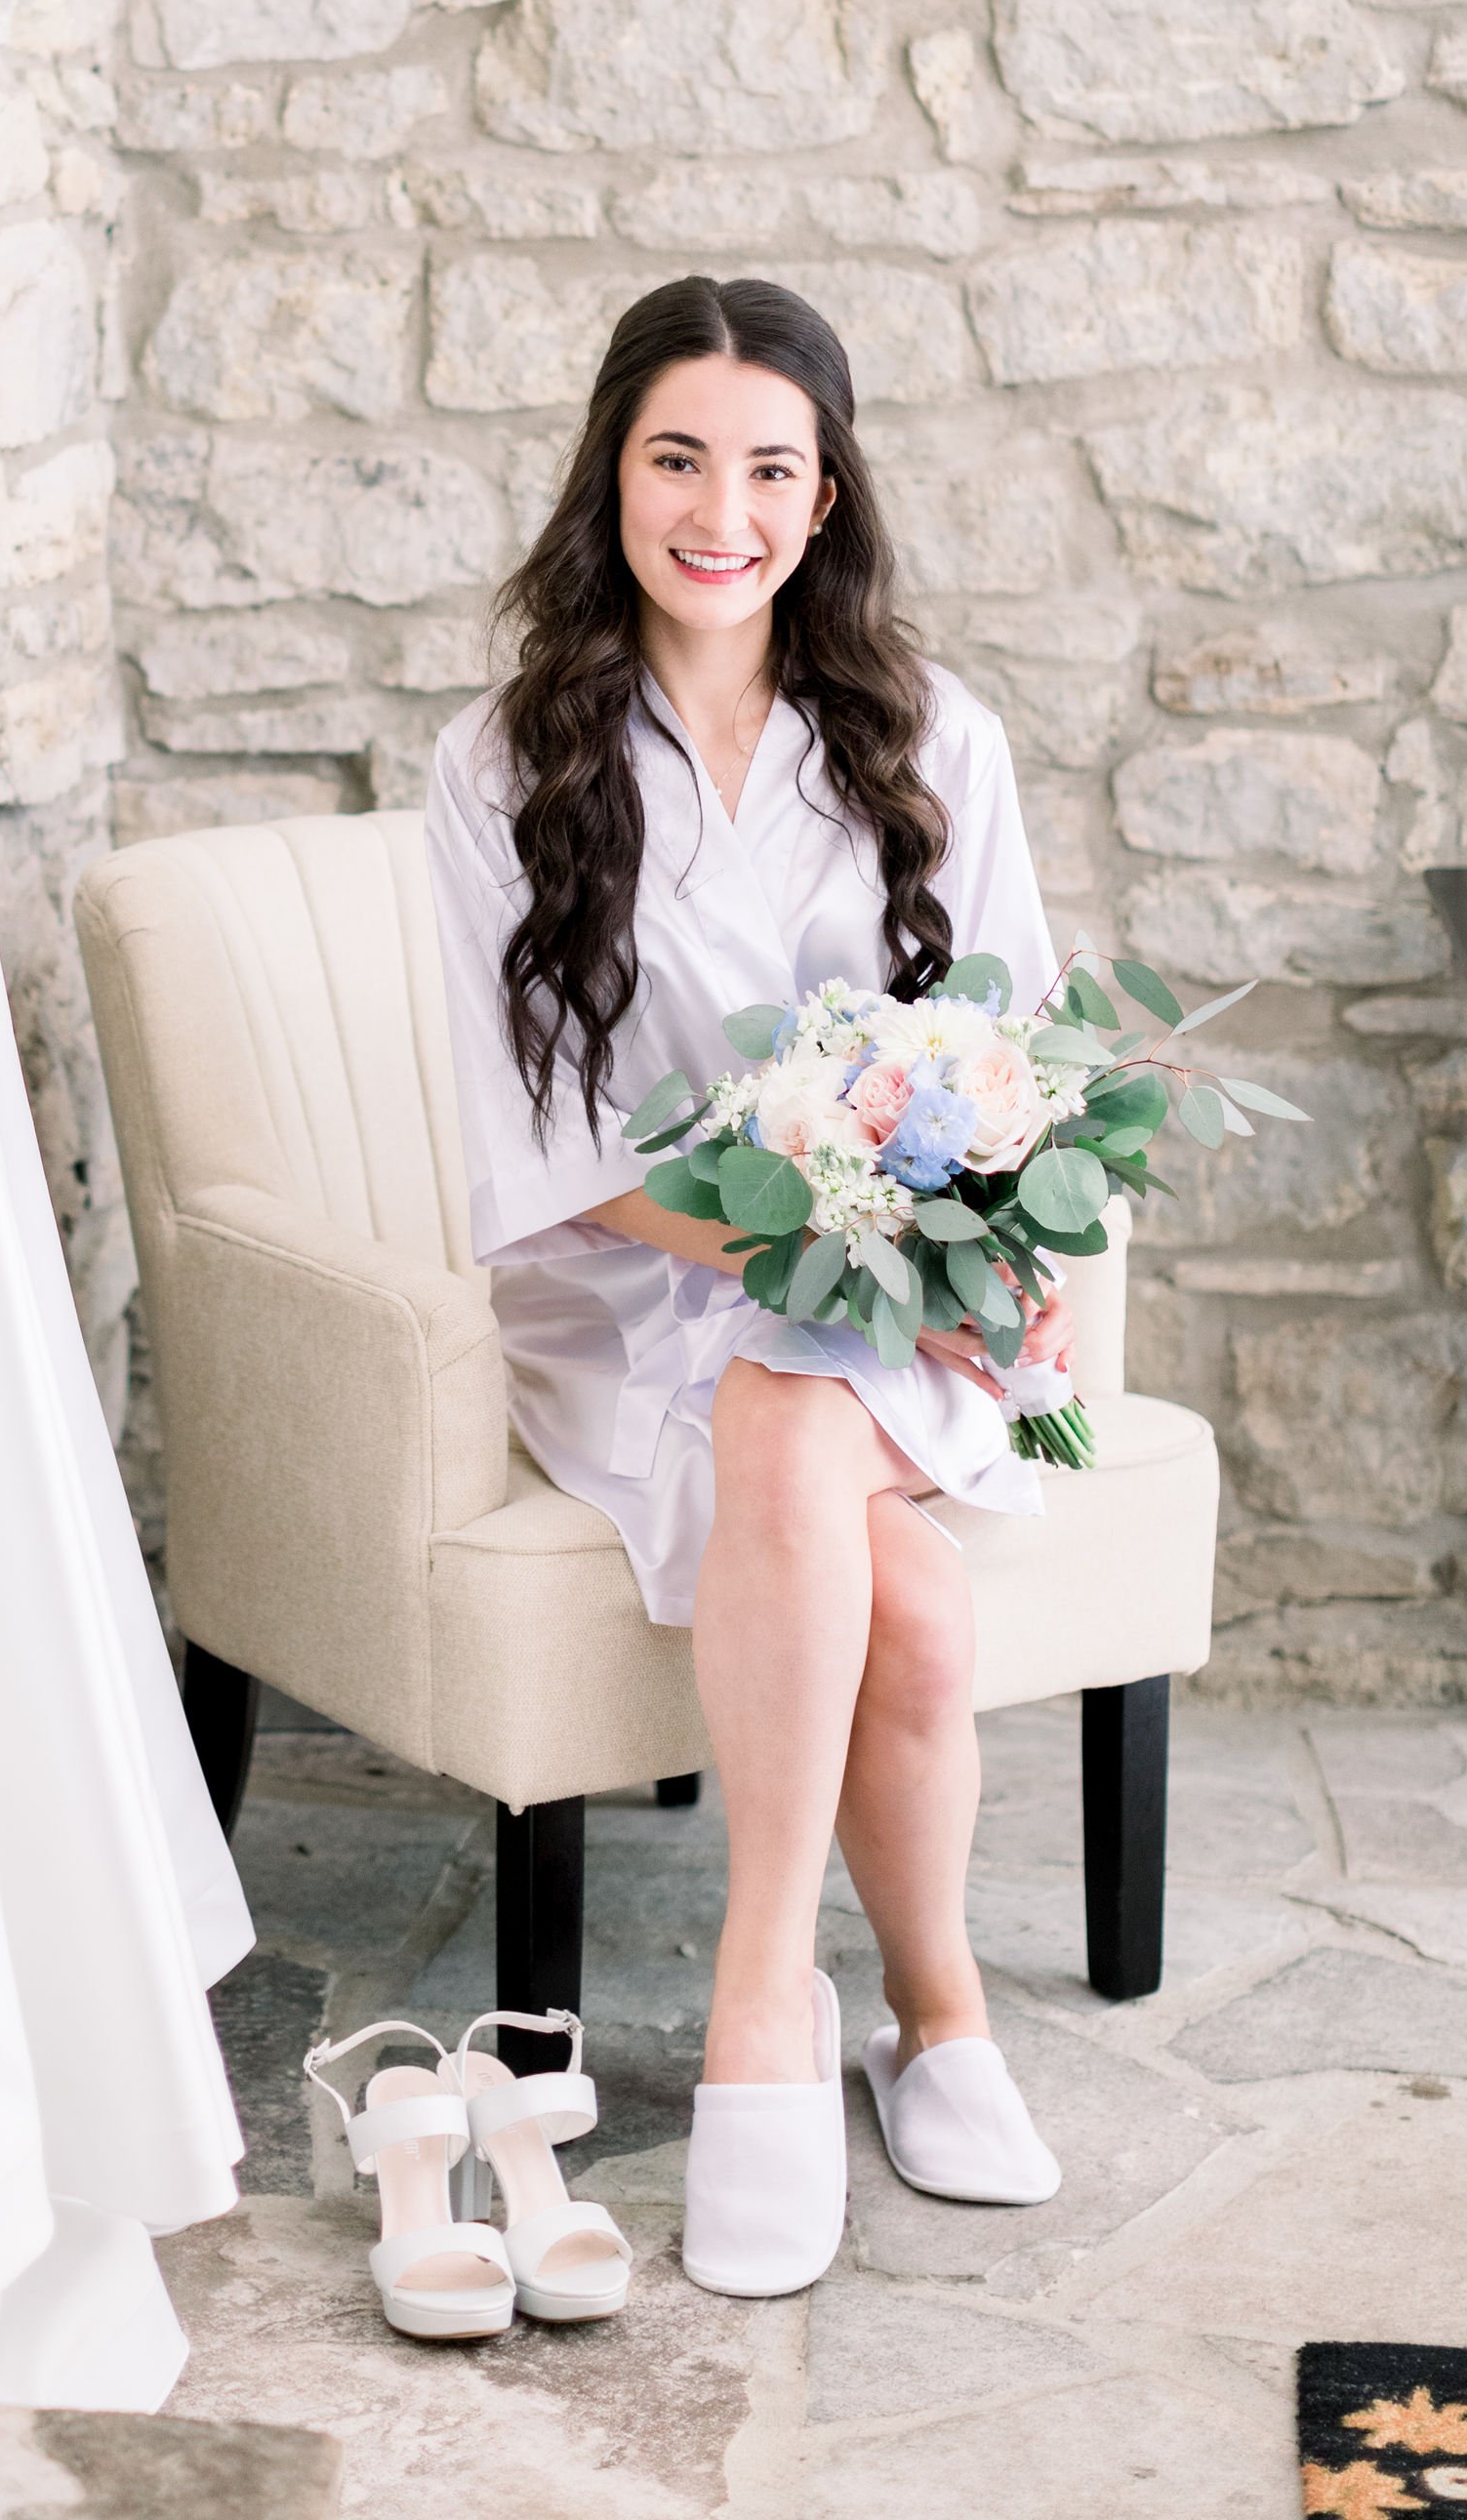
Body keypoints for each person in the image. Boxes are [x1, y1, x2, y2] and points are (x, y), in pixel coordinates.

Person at [423, 273, 1072, 2297]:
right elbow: (557, 1162)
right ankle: (906, 2014)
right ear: (612, 472)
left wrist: (997, 1262)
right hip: (629, 1298)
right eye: (678, 457)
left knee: (830, 1454)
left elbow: (1020, 1056)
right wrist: (838, 1251)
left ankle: (781, 2007)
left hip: (888, 1294)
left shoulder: (933, 734)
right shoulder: (502, 762)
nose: (724, 509)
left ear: (828, 491)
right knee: (915, 1604)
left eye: (771, 467)